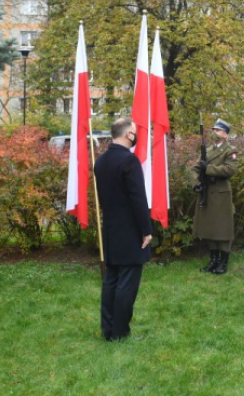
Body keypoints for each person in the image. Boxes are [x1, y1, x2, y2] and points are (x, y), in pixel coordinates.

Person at [94, 117, 153, 341]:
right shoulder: (129, 161)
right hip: (130, 231)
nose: (136, 134)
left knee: (111, 280)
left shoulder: (100, 162)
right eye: (135, 131)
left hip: (110, 229)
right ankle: (120, 332)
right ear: (128, 134)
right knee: (126, 283)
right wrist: (146, 230)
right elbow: (137, 198)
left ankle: (108, 329)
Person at [192, 119, 239, 275]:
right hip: (206, 192)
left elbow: (230, 169)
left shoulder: (230, 150)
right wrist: (196, 183)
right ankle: (214, 260)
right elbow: (194, 168)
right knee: (209, 228)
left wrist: (210, 169)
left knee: (222, 229)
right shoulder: (208, 150)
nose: (215, 133)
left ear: (225, 134)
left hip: (220, 195)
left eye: (218, 130)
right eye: (214, 130)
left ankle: (223, 262)